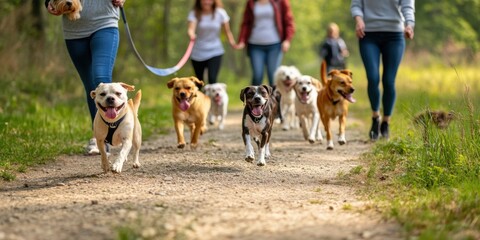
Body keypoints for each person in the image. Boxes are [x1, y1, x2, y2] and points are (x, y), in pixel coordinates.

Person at [45, 0, 125, 154]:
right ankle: (100, 134)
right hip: (74, 30)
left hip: (105, 22)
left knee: (100, 79)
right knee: (91, 88)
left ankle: (104, 137)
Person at [351, 0, 415, 141]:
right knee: (373, 78)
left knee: (388, 81)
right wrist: (359, 20)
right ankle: (375, 117)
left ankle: (386, 122)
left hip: (395, 35)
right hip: (368, 35)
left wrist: (409, 25)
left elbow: (407, 6)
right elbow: (356, 5)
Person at [235, 0, 295, 86]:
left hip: (275, 45)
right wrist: (242, 40)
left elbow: (289, 22)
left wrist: (287, 40)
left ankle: (273, 99)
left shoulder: (280, 1)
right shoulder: (251, 2)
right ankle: (253, 98)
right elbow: (246, 23)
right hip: (255, 45)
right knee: (257, 75)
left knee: (273, 77)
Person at [187, 0, 236, 84]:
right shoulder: (194, 13)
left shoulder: (220, 13)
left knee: (212, 79)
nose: (206, 2)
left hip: (215, 51)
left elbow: (227, 31)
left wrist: (233, 43)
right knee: (199, 82)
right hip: (198, 52)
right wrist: (191, 34)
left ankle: (212, 97)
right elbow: (191, 29)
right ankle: (200, 97)